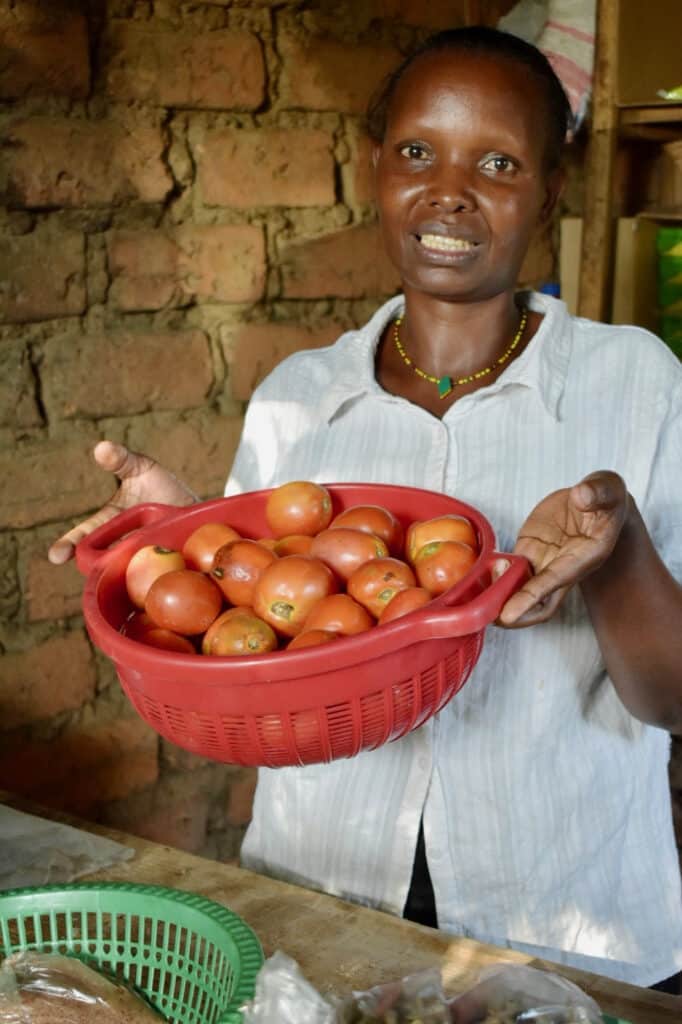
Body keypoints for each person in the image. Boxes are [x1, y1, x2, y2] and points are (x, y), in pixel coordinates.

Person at [48, 27, 682, 990]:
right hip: (328, 910)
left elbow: (674, 701)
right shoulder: (298, 397)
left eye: (499, 162)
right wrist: (190, 548)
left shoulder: (635, 383)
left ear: (550, 193)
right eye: (419, 151)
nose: (451, 189)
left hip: (569, 935)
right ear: (375, 169)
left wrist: (620, 550)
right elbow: (259, 638)